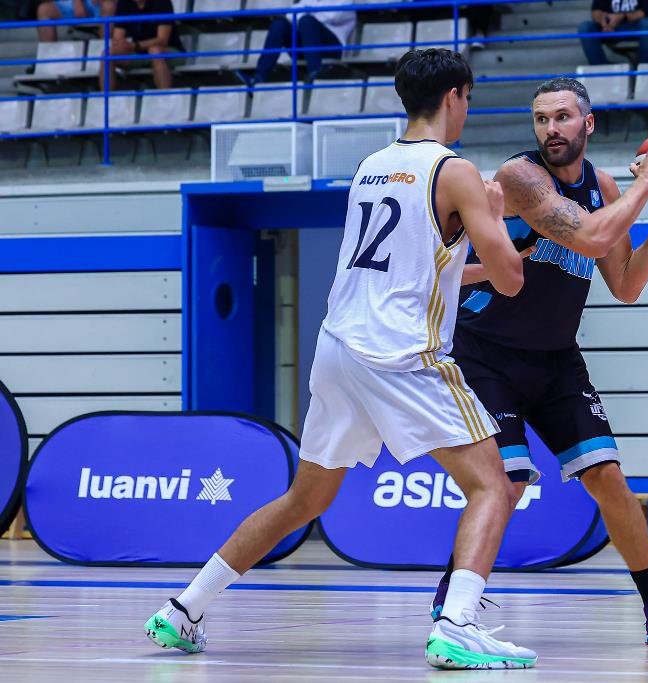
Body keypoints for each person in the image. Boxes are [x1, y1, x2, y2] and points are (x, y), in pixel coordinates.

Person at [144, 48, 539, 671]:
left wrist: (469, 257)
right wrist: (494, 215)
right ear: (457, 95)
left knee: (304, 499)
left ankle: (184, 608)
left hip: (337, 349)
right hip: (401, 352)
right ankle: (459, 624)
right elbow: (512, 279)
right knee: (494, 484)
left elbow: (418, 269)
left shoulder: (371, 166)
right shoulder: (455, 170)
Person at [429, 77, 648, 648]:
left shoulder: (604, 187)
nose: (551, 129)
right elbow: (595, 240)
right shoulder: (519, 177)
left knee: (608, 479)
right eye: (541, 120)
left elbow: (625, 284)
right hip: (486, 355)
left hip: (556, 359)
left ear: (588, 123)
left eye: (562, 117)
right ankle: (454, 600)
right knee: (504, 481)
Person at [238, 0, 356, 86]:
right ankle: (258, 77)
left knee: (306, 21)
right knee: (279, 24)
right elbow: (290, 14)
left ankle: (315, 72)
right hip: (307, 45)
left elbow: (335, 15)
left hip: (332, 48)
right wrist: (311, 13)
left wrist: (307, 12)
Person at [99, 0, 184, 90]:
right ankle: (106, 98)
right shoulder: (124, 3)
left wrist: (135, 46)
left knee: (155, 51)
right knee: (107, 54)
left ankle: (165, 99)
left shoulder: (162, 2)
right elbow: (117, 37)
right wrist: (120, 45)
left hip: (169, 50)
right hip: (138, 52)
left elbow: (162, 40)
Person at [578, 0, 648, 65]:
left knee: (647, 24)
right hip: (614, 28)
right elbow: (596, 11)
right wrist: (604, 23)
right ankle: (601, 70)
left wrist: (622, 16)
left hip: (643, 26)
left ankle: (646, 71)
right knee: (585, 27)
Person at [35, 0, 115, 43]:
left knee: (109, 5)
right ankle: (48, 60)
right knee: (44, 10)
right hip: (71, 4)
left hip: (102, 4)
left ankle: (105, 55)